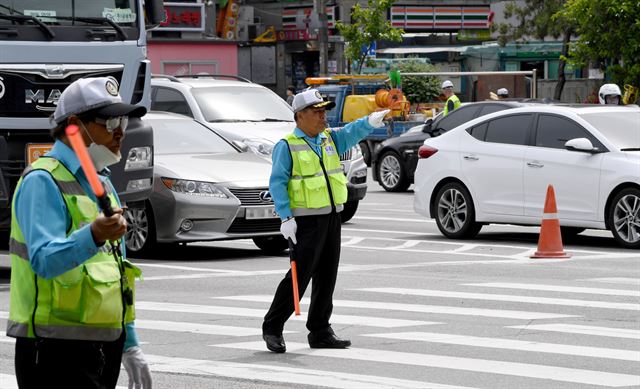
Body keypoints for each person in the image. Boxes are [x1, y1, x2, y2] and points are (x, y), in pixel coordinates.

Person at [7, 76, 152, 389]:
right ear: (74, 125)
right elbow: (44, 260)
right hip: (53, 347)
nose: (121, 132)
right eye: (111, 121)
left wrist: (130, 343)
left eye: (124, 121)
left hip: (104, 342)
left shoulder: (103, 184)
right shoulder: (42, 181)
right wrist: (94, 235)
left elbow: (118, 272)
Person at [262, 89, 389, 353]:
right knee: (300, 276)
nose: (323, 117)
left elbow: (350, 133)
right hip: (304, 223)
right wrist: (286, 217)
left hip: (332, 217)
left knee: (327, 275)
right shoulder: (286, 146)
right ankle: (273, 327)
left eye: (324, 112)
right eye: (317, 112)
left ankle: (320, 330)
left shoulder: (327, 139)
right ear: (300, 116)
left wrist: (371, 120)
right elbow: (277, 183)